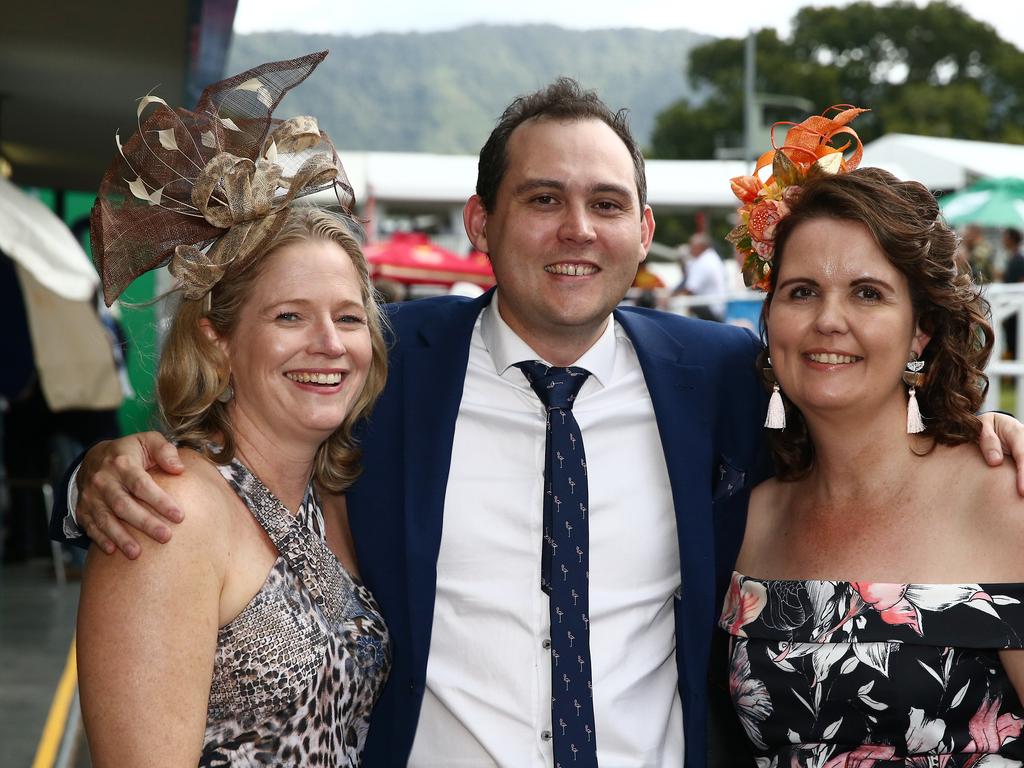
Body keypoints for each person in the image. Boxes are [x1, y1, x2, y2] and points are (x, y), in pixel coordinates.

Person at [56, 82, 1024, 768]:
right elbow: (256, 429)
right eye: (542, 200)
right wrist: (99, 471)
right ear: (479, 223)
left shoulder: (718, 375)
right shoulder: (382, 369)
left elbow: (856, 416)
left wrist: (979, 432)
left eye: (606, 204)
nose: (576, 230)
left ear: (644, 234)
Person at [74, 53, 391, 765]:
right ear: (218, 340)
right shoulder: (168, 513)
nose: (328, 344)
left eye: (347, 317)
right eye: (289, 317)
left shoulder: (337, 494)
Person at [719, 138, 1024, 761]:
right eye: (802, 291)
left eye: (867, 292)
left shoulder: (1003, 494)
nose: (829, 320)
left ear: (922, 328)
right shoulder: (749, 521)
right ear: (769, 317)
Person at [675, 232, 727, 321]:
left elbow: (689, 289)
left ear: (699, 247)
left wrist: (670, 299)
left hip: (709, 310)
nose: (690, 249)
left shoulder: (703, 262)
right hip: (718, 309)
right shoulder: (711, 257)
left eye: (692, 246)